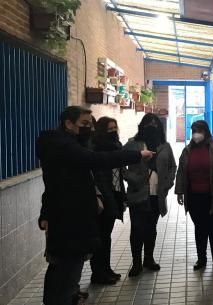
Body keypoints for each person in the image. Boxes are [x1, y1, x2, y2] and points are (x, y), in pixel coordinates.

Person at [36, 106, 153, 305]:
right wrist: (137, 155)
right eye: (84, 124)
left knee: (69, 269)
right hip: (68, 220)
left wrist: (45, 213)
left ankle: (70, 295)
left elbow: (54, 186)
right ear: (68, 124)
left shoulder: (67, 144)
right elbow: (97, 160)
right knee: (65, 268)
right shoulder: (64, 147)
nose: (88, 129)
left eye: (90, 125)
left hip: (72, 217)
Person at [123, 114, 177, 277]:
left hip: (156, 195)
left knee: (151, 229)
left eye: (155, 124)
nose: (152, 127)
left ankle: (149, 259)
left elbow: (172, 166)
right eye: (149, 124)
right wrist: (131, 178)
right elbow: (118, 163)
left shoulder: (164, 146)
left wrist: (167, 184)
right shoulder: (133, 144)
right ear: (142, 126)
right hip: (138, 194)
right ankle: (136, 263)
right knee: (137, 229)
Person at [175, 120, 213, 272]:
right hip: (194, 196)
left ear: (206, 132)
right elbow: (181, 171)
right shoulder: (187, 151)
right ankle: (202, 258)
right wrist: (179, 191)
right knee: (199, 228)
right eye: (193, 131)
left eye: (199, 130)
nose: (196, 134)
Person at [89, 117, 127, 284]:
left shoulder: (117, 147)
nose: (113, 131)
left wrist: (123, 197)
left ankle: (107, 269)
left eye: (114, 128)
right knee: (101, 236)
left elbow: (120, 172)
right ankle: (98, 273)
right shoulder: (95, 149)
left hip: (116, 194)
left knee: (107, 236)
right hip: (103, 197)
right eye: (109, 129)